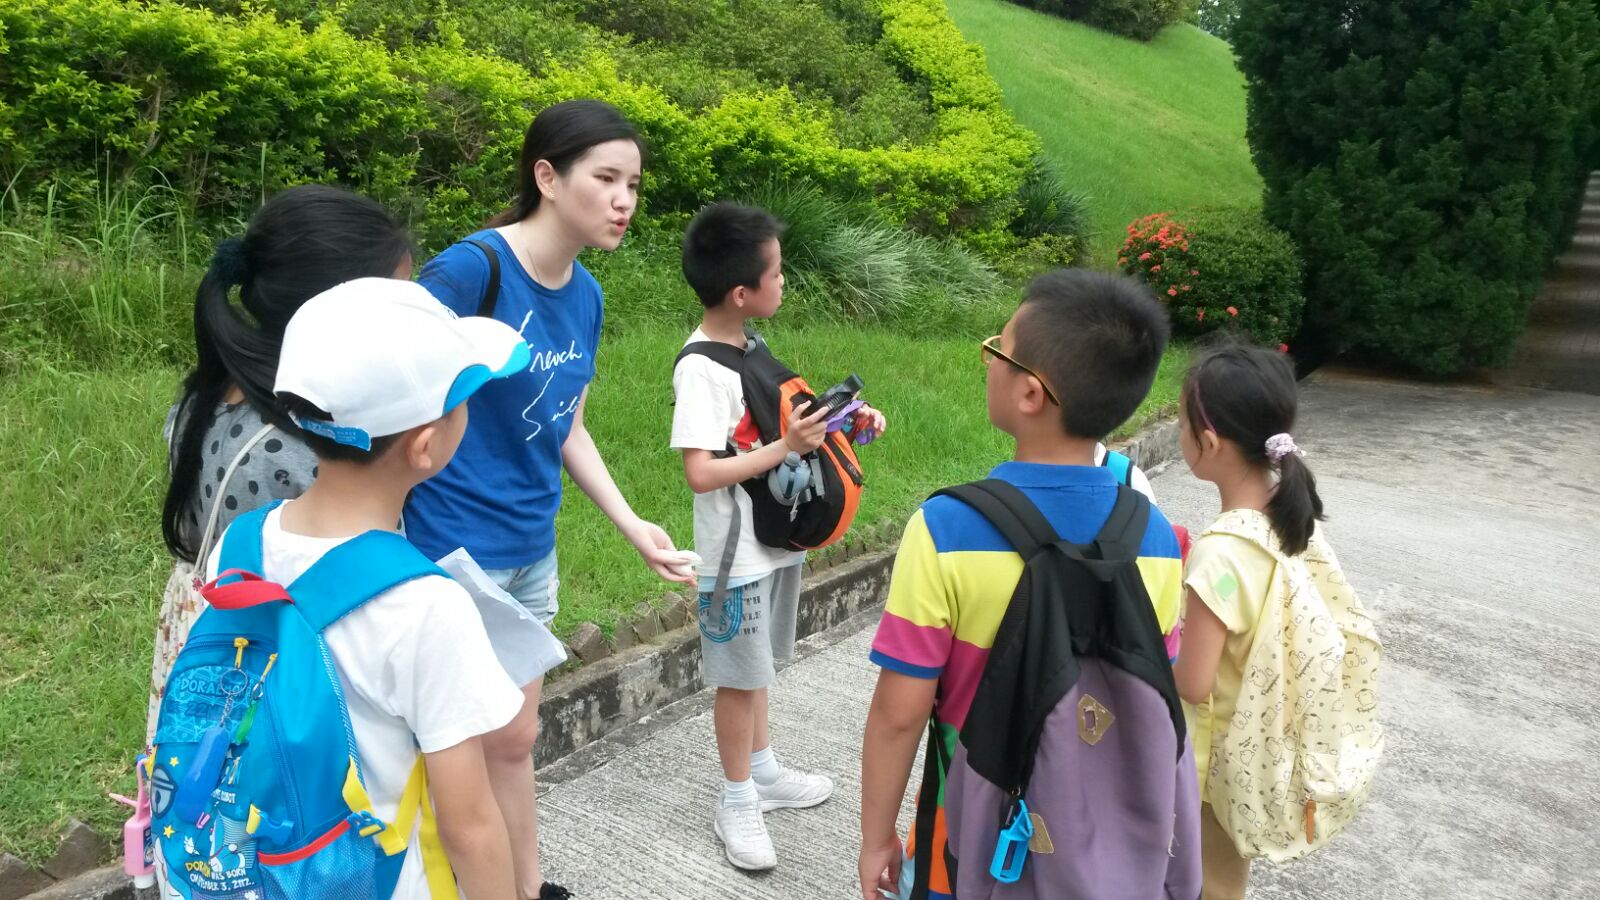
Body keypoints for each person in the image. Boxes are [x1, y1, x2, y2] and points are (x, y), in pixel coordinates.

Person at [401, 99, 692, 900]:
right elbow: (397, 396)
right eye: (606, 178)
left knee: (515, 736)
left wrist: (633, 524)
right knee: (451, 749)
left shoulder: (587, 296)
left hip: (533, 547)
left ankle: (527, 889)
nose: (625, 199)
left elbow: (566, 428)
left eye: (633, 183)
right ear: (546, 177)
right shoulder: (471, 271)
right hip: (448, 551)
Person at [857, 271, 1188, 900]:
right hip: (1101, 839)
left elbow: (899, 716)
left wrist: (878, 837)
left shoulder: (946, 528)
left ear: (1030, 393)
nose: (988, 362)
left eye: (997, 351)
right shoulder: (1155, 537)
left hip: (974, 833)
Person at [199, 276, 530, 897]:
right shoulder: (425, 605)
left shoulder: (238, 547)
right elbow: (472, 825)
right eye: (465, 401)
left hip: (259, 865)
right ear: (426, 447)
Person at [150, 184, 413, 742]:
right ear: (335, 310)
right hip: (288, 670)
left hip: (205, 643)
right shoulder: (313, 445)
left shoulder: (200, 400)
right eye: (397, 303)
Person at [672, 202, 887, 871]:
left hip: (774, 542)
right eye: (778, 272)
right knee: (738, 679)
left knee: (760, 665)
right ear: (743, 293)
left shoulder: (749, 348)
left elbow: (771, 426)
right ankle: (735, 796)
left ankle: (761, 771)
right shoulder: (700, 369)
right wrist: (788, 447)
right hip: (735, 557)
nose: (784, 281)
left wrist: (844, 425)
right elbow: (702, 473)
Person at [1172, 344, 1368, 899]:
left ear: (1207, 441)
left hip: (1212, 768)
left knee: (1199, 882)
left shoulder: (1221, 553)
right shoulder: (1289, 517)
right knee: (1226, 882)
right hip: (1258, 753)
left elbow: (1192, 681)